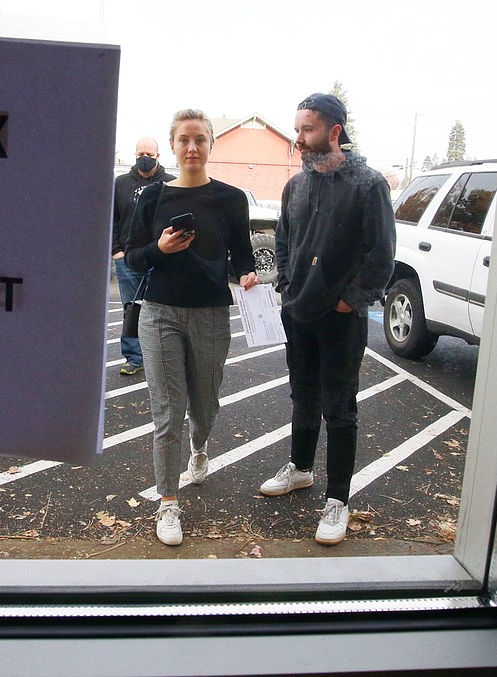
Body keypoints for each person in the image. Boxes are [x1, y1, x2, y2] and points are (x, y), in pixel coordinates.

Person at [259, 92, 395, 545]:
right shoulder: (296, 186)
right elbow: (283, 239)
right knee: (302, 394)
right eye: (297, 129)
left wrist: (348, 299)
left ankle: (338, 498)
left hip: (341, 318)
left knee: (339, 407)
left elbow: (381, 256)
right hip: (298, 311)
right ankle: (300, 469)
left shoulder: (368, 184)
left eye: (307, 129)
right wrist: (285, 282)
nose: (298, 139)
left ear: (335, 131)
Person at [124, 109, 259, 545]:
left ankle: (200, 449)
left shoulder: (232, 198)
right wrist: (160, 248)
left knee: (205, 406)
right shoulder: (152, 197)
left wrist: (247, 274)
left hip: (211, 315)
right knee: (167, 411)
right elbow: (132, 257)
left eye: (200, 139)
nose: (192, 147)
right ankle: (168, 503)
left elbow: (242, 255)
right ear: (173, 146)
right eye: (184, 140)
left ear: (211, 144)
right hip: (160, 313)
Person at [112, 138, 175, 376]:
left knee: (160, 309)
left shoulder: (170, 184)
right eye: (141, 153)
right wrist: (116, 251)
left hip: (161, 258)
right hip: (127, 258)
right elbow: (112, 220)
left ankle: (157, 359)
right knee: (131, 309)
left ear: (158, 156)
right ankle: (134, 358)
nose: (144, 157)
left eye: (149, 153)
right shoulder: (121, 183)